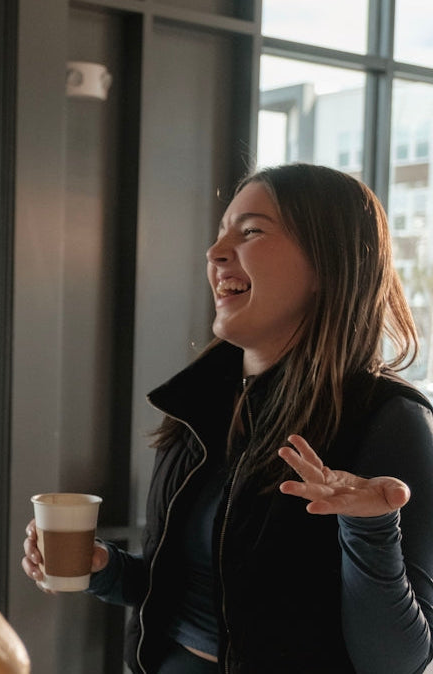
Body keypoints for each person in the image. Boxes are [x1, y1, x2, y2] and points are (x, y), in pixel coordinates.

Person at [22, 163, 433, 673]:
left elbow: (397, 661)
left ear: (328, 263)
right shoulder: (203, 402)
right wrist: (105, 568)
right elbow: (201, 596)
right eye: (220, 234)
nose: (215, 253)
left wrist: (370, 529)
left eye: (251, 231)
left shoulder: (389, 420)